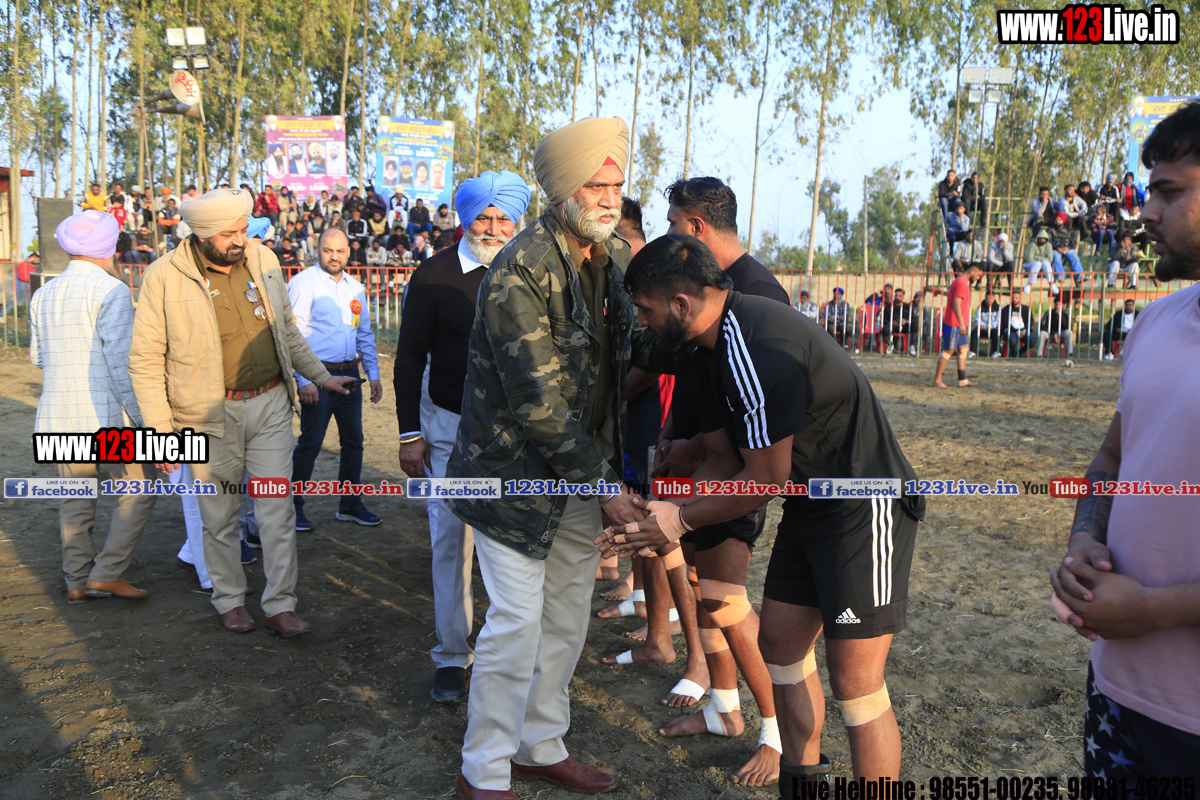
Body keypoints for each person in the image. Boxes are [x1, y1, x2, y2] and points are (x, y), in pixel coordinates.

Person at [605, 232, 924, 787]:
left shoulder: (756, 346)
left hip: (863, 505)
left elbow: (764, 479)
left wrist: (677, 519)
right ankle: (801, 781)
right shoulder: (706, 347)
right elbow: (723, 459)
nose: (643, 321)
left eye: (646, 310)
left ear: (681, 304)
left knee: (856, 684)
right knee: (779, 645)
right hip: (809, 506)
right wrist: (663, 508)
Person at [445, 117, 679, 800]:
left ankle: (540, 744)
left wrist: (706, 327)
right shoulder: (520, 271)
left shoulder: (612, 260)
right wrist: (609, 488)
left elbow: (640, 345)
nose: (609, 198)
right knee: (516, 625)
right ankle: (483, 771)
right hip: (511, 480)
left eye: (615, 186)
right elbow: (539, 406)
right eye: (594, 185)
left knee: (567, 617)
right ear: (560, 191)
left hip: (582, 477)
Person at [128, 188, 358, 636]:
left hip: (271, 405)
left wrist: (319, 375)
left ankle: (281, 604)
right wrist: (159, 431)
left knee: (277, 510)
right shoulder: (162, 276)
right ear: (202, 234)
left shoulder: (263, 259)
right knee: (219, 515)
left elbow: (286, 330)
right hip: (205, 416)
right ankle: (229, 599)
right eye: (229, 233)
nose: (240, 239)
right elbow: (145, 359)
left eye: (242, 229)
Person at [1049, 100, 1200, 779]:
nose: (1147, 214)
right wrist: (1086, 539)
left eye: (1169, 192)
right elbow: (1113, 458)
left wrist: (1147, 610)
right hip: (1120, 696)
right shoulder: (1155, 323)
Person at [394, 170, 531, 705]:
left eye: (503, 218)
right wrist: (410, 433)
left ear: (516, 221)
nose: (493, 228)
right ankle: (452, 655)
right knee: (452, 543)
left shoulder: (531, 273)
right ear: (466, 218)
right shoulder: (433, 276)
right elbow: (409, 357)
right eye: (484, 217)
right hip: (449, 429)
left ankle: (507, 653)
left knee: (509, 545)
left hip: (514, 434)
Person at [30, 211, 158, 604]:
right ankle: (107, 573)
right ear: (109, 248)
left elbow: (38, 358)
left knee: (75, 497)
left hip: (58, 416)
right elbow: (122, 365)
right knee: (139, 487)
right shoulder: (112, 290)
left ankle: (76, 580)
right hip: (107, 418)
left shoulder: (42, 293)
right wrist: (147, 423)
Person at [288, 229, 383, 531]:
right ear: (317, 249)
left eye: (340, 251)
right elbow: (293, 335)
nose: (334, 256)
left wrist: (374, 373)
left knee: (354, 442)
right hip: (318, 376)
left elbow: (364, 333)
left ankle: (350, 504)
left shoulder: (356, 287)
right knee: (310, 443)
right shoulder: (303, 282)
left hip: (351, 376)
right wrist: (303, 379)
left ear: (348, 252)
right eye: (328, 250)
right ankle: (292, 507)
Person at [932, 265, 981, 388]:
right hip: (954, 323)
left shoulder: (960, 281)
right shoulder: (962, 283)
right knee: (948, 351)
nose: (978, 278)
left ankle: (962, 379)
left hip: (958, 323)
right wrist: (962, 323)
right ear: (972, 271)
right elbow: (956, 304)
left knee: (963, 349)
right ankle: (937, 380)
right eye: (978, 275)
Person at [1049, 213, 1085, 287]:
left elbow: (1073, 242)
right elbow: (1048, 242)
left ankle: (1079, 275)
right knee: (1056, 256)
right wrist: (1057, 248)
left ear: (1063, 220)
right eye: (1056, 220)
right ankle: (1061, 276)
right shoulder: (1050, 230)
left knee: (1074, 255)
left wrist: (1068, 247)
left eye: (1060, 220)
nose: (1058, 222)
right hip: (1055, 249)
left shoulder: (1069, 230)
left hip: (1067, 249)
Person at [1023, 230, 1058, 296]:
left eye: (1043, 238)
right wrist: (1041, 259)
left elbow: (1050, 259)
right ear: (1038, 238)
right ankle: (1029, 284)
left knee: (1046, 263)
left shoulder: (1048, 245)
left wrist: (1037, 257)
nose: (1042, 240)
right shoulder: (1033, 245)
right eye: (1040, 238)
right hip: (1030, 265)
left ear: (1046, 239)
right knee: (1038, 264)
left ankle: (1051, 284)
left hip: (1043, 266)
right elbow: (1029, 259)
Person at [970, 290, 1001, 358]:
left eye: (991, 298)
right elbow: (977, 319)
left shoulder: (998, 308)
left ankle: (996, 352)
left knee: (996, 333)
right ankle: (972, 352)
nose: (989, 300)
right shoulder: (980, 307)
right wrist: (984, 326)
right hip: (982, 328)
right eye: (987, 298)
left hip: (992, 328)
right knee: (975, 332)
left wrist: (988, 327)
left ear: (994, 298)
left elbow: (998, 321)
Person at [1000, 290, 1031, 358]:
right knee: (1013, 340)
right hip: (1011, 330)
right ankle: (1013, 352)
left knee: (1032, 340)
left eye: (1017, 298)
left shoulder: (1025, 309)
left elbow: (1031, 321)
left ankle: (1019, 352)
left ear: (1020, 298)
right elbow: (1005, 322)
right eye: (1013, 297)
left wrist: (1024, 330)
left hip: (1023, 330)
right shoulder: (1006, 309)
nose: (1014, 299)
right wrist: (1016, 331)